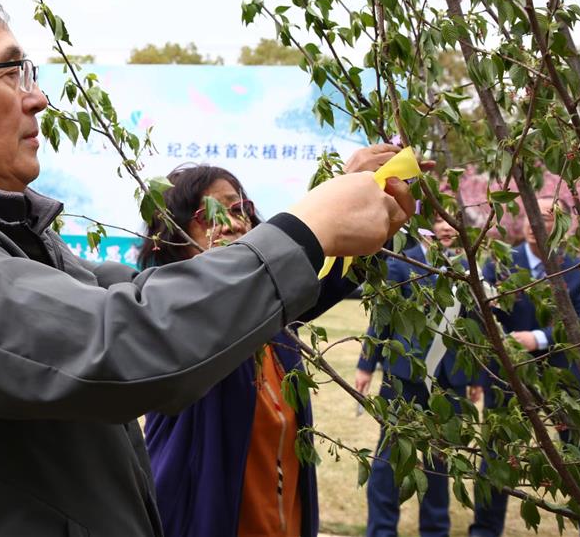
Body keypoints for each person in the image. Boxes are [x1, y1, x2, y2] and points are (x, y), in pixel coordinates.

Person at [0, 0, 416, 536]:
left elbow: (168, 293)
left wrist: (335, 240)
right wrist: (306, 229)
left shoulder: (4, 231)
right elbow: (123, 343)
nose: (38, 97)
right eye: (8, 71)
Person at [140, 158, 395, 537]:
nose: (233, 222)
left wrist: (375, 187)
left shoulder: (271, 319)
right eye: (209, 214)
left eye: (240, 208)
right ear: (172, 236)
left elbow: (345, 264)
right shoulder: (171, 313)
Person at [471, 197, 580, 537]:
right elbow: (483, 318)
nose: (530, 222)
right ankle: (484, 529)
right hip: (508, 376)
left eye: (542, 217)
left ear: (564, 225)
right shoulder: (499, 263)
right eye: (527, 215)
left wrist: (539, 338)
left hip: (566, 376)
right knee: (497, 453)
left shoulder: (576, 268)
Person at [354, 220, 482, 537]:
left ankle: (435, 530)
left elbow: (476, 325)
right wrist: (366, 364)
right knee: (390, 456)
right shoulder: (401, 263)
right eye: (441, 220)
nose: (447, 227)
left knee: (439, 458)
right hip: (404, 377)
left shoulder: (467, 268)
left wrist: (475, 373)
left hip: (449, 379)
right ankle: (381, 530)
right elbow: (381, 318)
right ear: (428, 227)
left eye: (453, 221)